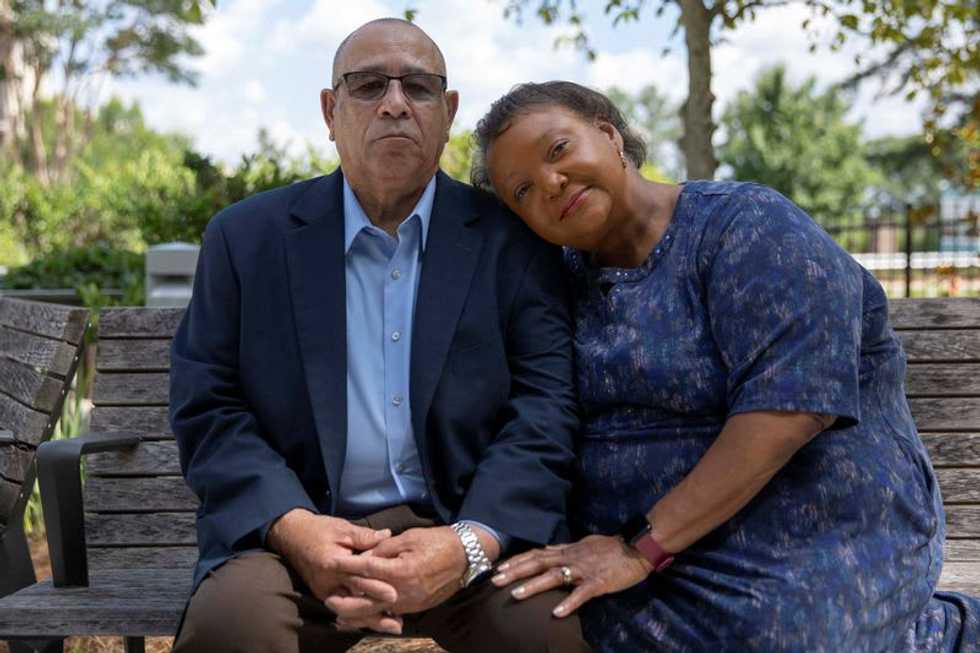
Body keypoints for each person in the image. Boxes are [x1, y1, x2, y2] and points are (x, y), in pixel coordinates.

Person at [470, 80, 980, 651]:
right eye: (522, 190)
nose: (550, 183)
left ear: (609, 134)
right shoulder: (554, 283)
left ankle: (941, 637)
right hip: (641, 556)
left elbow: (788, 412)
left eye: (558, 150)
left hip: (812, 532)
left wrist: (639, 548)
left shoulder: (748, 226)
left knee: (778, 639)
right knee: (527, 616)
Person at [169, 22, 591, 653]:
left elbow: (545, 408)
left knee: (546, 634)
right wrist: (294, 528)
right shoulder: (245, 240)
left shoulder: (514, 242)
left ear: (448, 113)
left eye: (417, 87)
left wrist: (469, 543)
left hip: (463, 531)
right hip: (297, 537)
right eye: (368, 85)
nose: (395, 103)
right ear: (329, 111)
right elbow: (208, 406)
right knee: (231, 630)